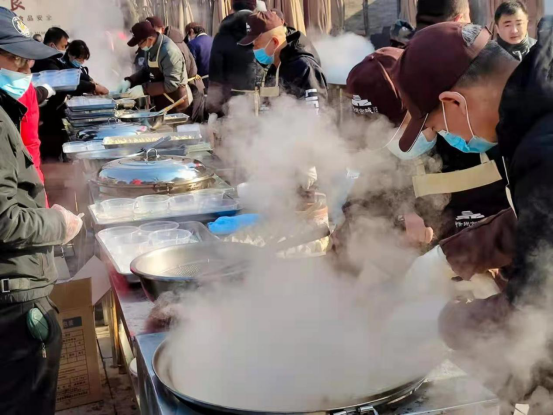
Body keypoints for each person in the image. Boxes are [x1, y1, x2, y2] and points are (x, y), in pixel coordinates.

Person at [394, 19, 553, 404]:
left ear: (454, 103)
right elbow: (537, 220)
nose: (441, 138)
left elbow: (535, 306)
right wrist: (447, 257)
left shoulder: (541, 151)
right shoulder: (537, 109)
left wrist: (450, 322)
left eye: (433, 126)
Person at [0, 8, 83, 414]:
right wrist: (59, 224)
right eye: (15, 58)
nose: (27, 66)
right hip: (12, 302)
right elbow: (3, 220)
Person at [238, 11, 327, 103]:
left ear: (275, 42)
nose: (254, 50)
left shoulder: (305, 68)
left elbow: (314, 114)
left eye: (257, 45)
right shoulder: (272, 65)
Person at [118, 21, 192, 114]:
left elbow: (172, 84)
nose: (139, 47)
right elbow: (146, 70)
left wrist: (144, 89)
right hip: (161, 100)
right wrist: (130, 81)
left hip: (176, 102)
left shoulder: (169, 51)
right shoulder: (150, 48)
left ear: (149, 39)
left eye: (139, 44)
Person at [207, 0, 263, 115]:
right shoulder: (264, 29)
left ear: (233, 8)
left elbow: (215, 73)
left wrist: (213, 105)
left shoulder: (223, 34)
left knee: (235, 130)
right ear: (254, 7)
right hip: (265, 98)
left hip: (232, 100)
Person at [186, 23, 213, 89]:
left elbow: (192, 66)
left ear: (192, 31)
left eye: (188, 34)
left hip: (203, 81)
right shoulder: (215, 40)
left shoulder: (192, 44)